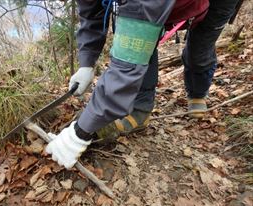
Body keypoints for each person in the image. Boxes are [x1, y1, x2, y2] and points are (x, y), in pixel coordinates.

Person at [46, 0, 240, 169]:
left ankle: (198, 91)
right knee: (146, 41)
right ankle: (141, 109)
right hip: (156, 6)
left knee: (199, 53)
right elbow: (92, 15)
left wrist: (80, 133)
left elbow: (128, 62)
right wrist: (86, 63)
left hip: (215, 3)